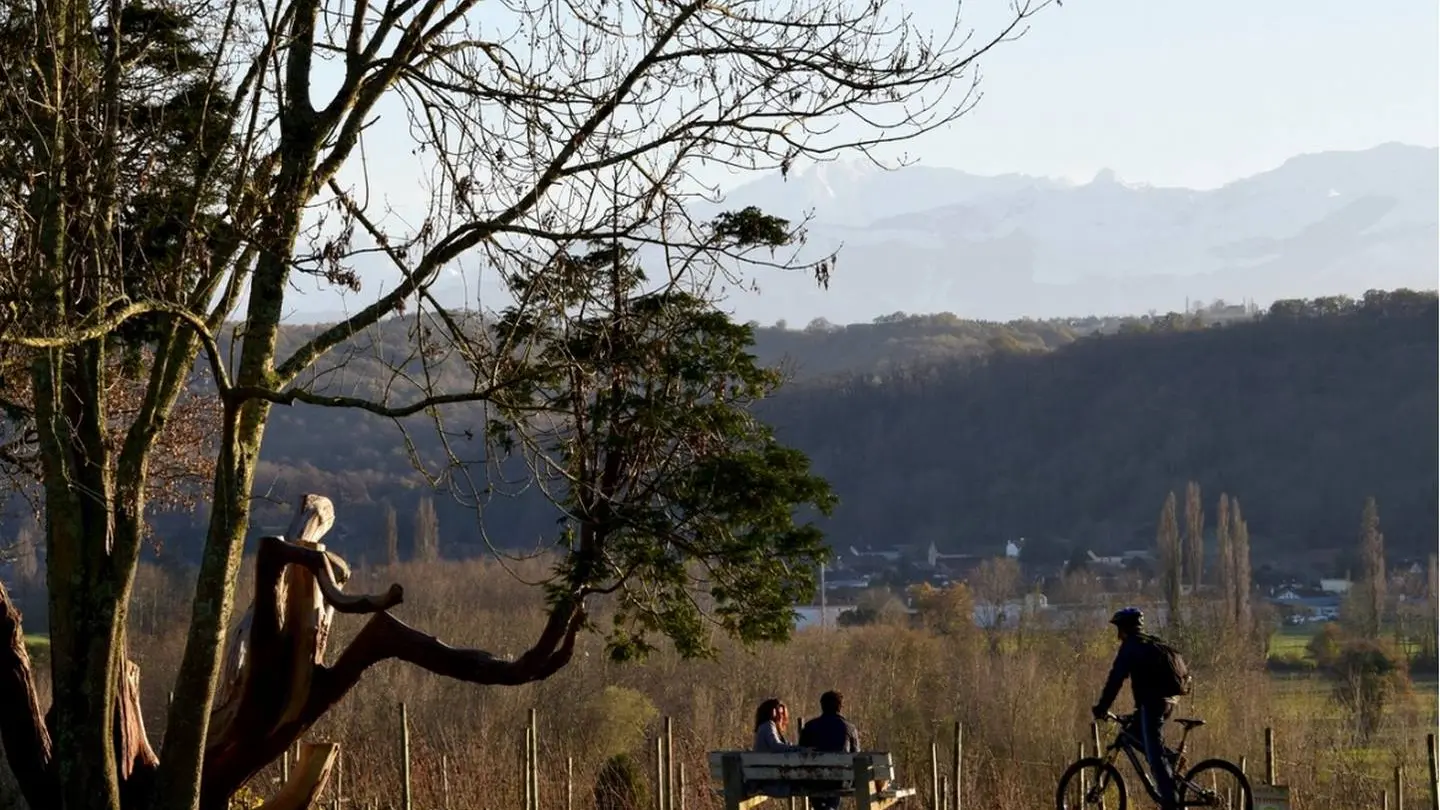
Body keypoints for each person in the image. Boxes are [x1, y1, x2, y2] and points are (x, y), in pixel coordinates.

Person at [1091, 607, 1180, 810]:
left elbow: (1115, 680)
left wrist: (1102, 707)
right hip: (1167, 701)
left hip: (1153, 703)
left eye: (1119, 629)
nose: (1118, 635)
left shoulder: (1130, 647)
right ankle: (1171, 758)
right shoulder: (1150, 641)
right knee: (1134, 734)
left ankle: (1170, 802)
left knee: (1155, 756)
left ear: (1125, 629)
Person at [799, 691, 861, 810]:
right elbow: (856, 756)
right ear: (840, 707)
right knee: (837, 779)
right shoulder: (849, 728)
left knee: (818, 782)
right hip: (839, 780)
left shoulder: (810, 726)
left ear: (822, 706)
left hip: (814, 780)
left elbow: (801, 753)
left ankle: (822, 807)